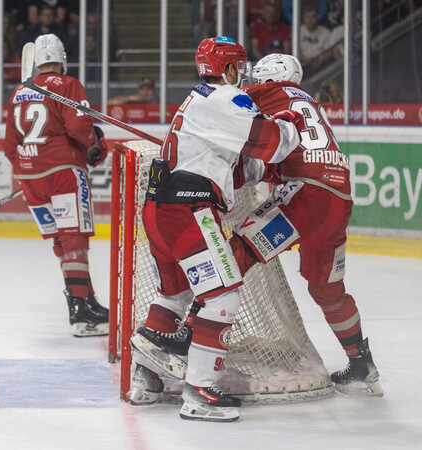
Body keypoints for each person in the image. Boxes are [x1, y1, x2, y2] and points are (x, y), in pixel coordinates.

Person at [126, 36, 304, 422]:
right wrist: (292, 122)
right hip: (188, 210)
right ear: (226, 68)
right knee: (223, 297)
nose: (242, 73)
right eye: (238, 65)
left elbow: (228, 165)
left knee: (173, 294)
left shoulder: (198, 98)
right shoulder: (227, 99)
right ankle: (200, 390)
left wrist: (257, 168)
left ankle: (146, 379)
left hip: (158, 209)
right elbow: (273, 144)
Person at [235, 53, 381, 396]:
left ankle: (189, 334)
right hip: (338, 200)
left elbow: (229, 114)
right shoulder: (308, 102)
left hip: (304, 199)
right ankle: (362, 362)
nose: (251, 82)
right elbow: (283, 156)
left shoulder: (268, 94)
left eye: (257, 77)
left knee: (235, 252)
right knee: (327, 290)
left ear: (269, 77)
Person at [3, 34, 110, 337]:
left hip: (29, 177)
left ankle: (84, 298)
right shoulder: (68, 85)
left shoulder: (18, 92)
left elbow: (10, 145)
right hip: (63, 171)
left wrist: (31, 168)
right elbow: (79, 127)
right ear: (62, 58)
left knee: (61, 241)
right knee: (73, 236)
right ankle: (80, 311)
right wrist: (93, 143)